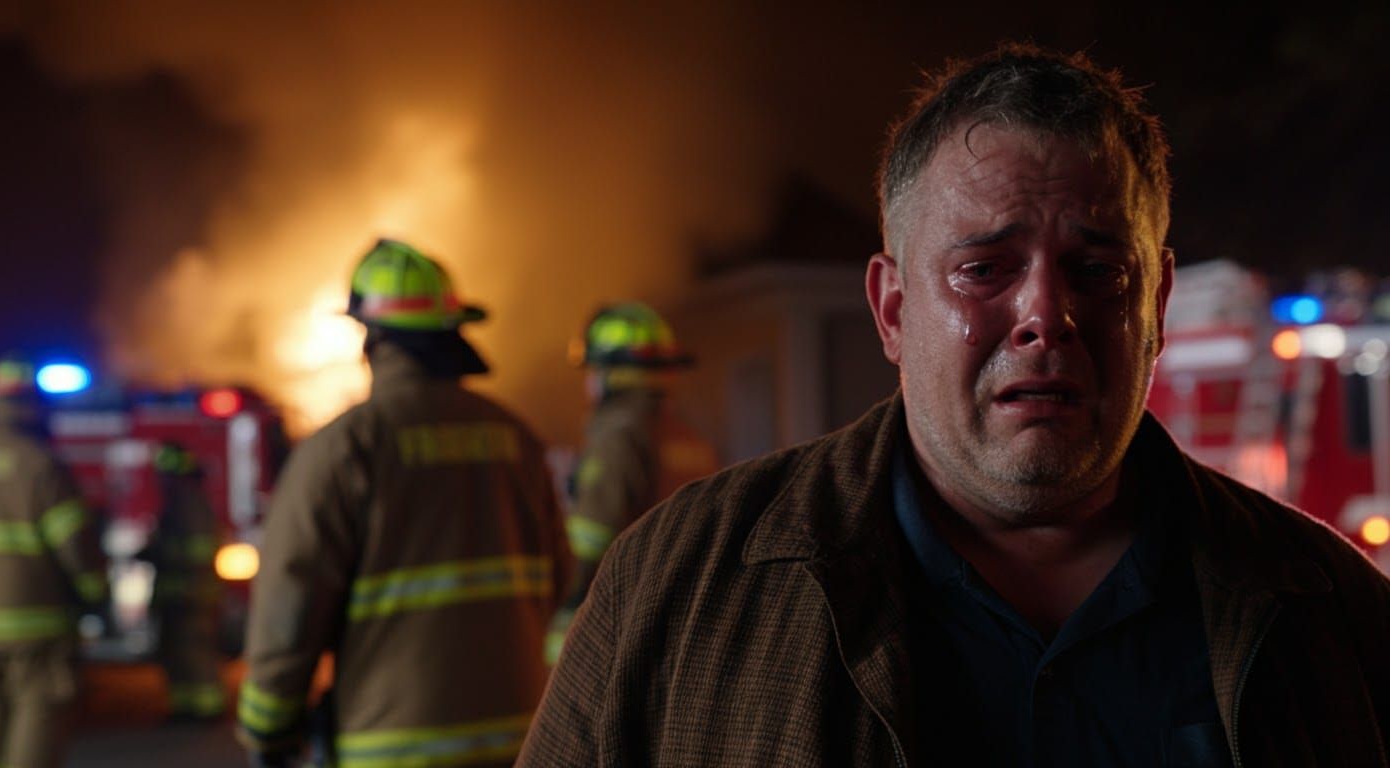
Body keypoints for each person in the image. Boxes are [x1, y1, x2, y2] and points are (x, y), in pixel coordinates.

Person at [519, 45, 1390, 766]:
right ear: (893, 310)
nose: (1047, 316)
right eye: (984, 269)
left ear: (1155, 304)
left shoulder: (1337, 618)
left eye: (1097, 270)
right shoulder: (675, 591)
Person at [238, 239, 572, 767]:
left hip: (391, 747)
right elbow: (561, 579)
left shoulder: (346, 447)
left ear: (372, 337)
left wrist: (268, 728)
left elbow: (290, 606)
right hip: (523, 741)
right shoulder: (518, 440)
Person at [543, 302, 718, 664]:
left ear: (609, 374)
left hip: (621, 624)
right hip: (680, 616)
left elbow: (592, 539)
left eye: (594, 370)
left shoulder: (618, 436)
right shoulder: (689, 438)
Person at [0, 359, 107, 768]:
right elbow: (76, 549)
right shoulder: (42, 467)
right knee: (36, 722)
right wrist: (96, 593)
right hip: (38, 630)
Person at [148, 441, 226, 723]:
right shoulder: (179, 500)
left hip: (192, 594)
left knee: (195, 652)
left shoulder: (188, 501)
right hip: (181, 594)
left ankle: (207, 709)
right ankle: (184, 707)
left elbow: (200, 550)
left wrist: (159, 553)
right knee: (178, 653)